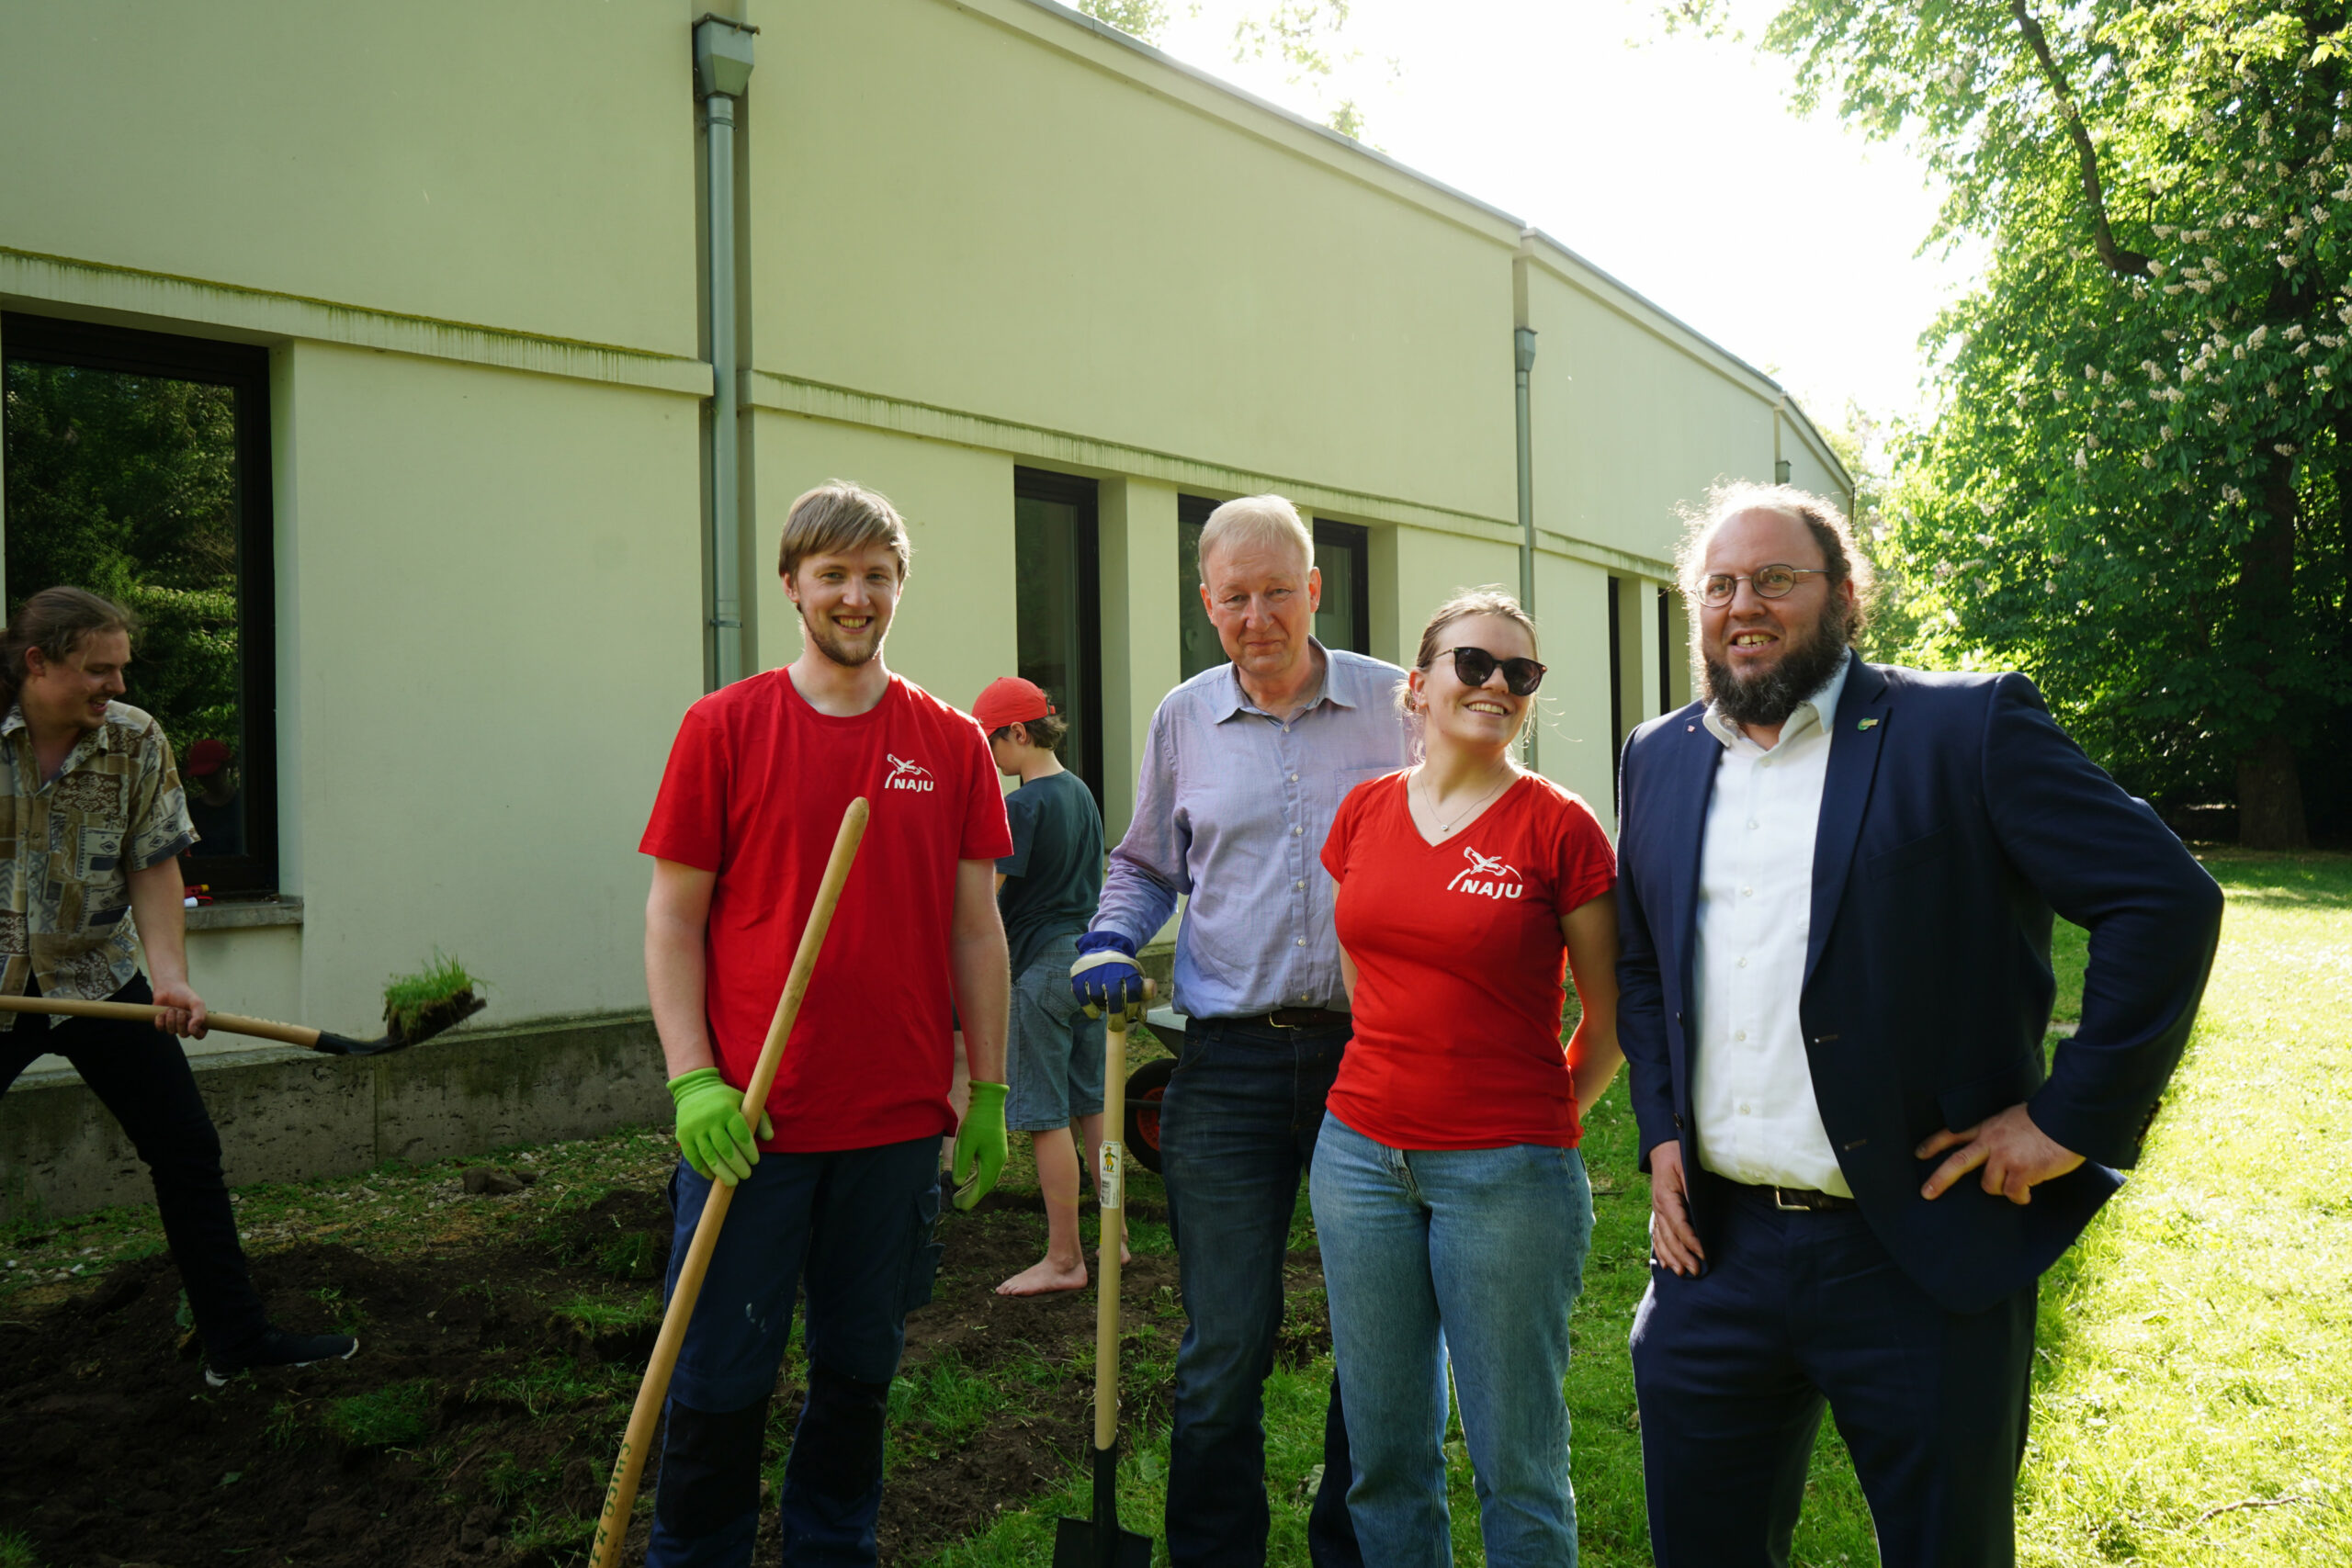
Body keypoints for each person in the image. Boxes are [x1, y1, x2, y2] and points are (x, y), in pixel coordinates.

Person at [1613, 483, 2224, 1567]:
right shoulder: (1657, 756)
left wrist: (2068, 1119)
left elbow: (2163, 900)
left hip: (1917, 1247)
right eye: (1718, 585)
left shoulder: (1964, 727)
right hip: (1716, 1257)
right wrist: (1661, 1129)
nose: (1741, 604)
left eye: (1775, 579)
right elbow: (1645, 958)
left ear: (1847, 597)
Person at [639, 480, 1014, 1568]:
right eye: (834, 576)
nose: (856, 597)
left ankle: (831, 1552)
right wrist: (692, 1079)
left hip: (893, 1124)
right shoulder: (724, 728)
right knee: (718, 1378)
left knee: (859, 1373)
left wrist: (984, 1089)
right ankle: (695, 1555)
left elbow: (976, 935)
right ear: (792, 585)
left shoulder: (947, 741)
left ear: (900, 586)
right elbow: (672, 919)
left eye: (877, 576)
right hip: (750, 1128)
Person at [1072, 493, 1403, 1568]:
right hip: (1225, 1063)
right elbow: (1144, 865)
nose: (1256, 615)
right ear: (1205, 601)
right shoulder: (1183, 718)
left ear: (1314, 590)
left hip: (1374, 1058)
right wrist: (1112, 938)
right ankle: (1215, 1554)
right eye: (1234, 598)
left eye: (1277, 592)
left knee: (1377, 1332)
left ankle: (1351, 1546)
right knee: (1224, 1343)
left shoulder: (1398, 705)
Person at [1311, 589, 1621, 1568]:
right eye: (1473, 665)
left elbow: (1608, 1020)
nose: (1496, 686)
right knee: (1384, 1455)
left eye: (1518, 675)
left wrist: (1535, 1125)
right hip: (1359, 1161)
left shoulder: (1558, 829)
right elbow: (1365, 965)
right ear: (1418, 685)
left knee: (1517, 1463)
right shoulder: (1363, 812)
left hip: (1508, 1178)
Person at [0, 587, 356, 1384]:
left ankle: (238, 1343)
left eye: (121, 668)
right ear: (38, 661)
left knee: (186, 1149)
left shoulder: (134, 741)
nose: (117, 687)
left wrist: (170, 980)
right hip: (0, 990)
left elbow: (153, 862)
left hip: (97, 974)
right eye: (99, 670)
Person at [973, 675, 1115, 1298]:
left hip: (1039, 972)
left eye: (991, 743)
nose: (991, 759)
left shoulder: (1022, 806)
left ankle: (1064, 1257)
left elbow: (985, 902)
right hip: (1088, 966)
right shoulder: (1079, 791)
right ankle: (1116, 1239)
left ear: (1019, 733)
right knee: (1092, 1105)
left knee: (1044, 1116)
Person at [182, 737, 243, 858]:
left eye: (211, 774)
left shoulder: (244, 805)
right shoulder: (192, 810)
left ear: (226, 767)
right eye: (201, 776)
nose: (206, 781)